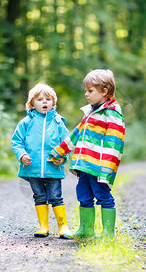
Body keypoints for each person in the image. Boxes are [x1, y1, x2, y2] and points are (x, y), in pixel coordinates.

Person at [50, 69, 125, 239]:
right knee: (83, 195)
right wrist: (59, 152)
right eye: (86, 90)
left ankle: (107, 233)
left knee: (103, 196)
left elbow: (115, 143)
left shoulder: (111, 114)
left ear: (104, 91)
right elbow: (76, 134)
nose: (86, 94)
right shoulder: (90, 113)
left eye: (90, 91)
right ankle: (86, 229)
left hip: (99, 166)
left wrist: (107, 167)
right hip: (84, 164)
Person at [11, 83, 71, 239]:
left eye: (48, 99)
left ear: (53, 103)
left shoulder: (58, 122)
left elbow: (67, 143)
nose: (44, 102)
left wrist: (63, 158)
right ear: (31, 103)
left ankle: (63, 226)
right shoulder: (26, 122)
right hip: (33, 168)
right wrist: (22, 154)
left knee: (56, 196)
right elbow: (17, 141)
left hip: (53, 168)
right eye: (40, 99)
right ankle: (43, 226)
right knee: (39, 196)